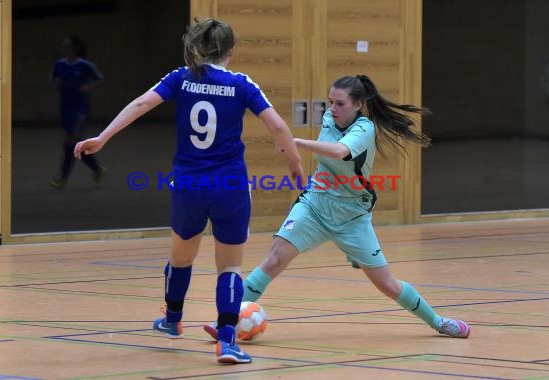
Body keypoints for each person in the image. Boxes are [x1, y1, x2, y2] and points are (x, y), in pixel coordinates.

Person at [74, 18, 304, 364]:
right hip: (229, 185)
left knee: (181, 258)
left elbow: (140, 105)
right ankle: (227, 342)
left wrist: (102, 137)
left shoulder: (181, 77)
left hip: (188, 184)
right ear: (232, 51)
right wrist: (296, 164)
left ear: (198, 47)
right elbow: (277, 125)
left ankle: (172, 320)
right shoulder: (241, 84)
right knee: (229, 267)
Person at [204, 74, 471, 341]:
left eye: (339, 103)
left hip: (352, 216)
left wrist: (296, 142)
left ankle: (439, 322)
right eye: (330, 102)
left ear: (358, 104)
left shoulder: (365, 129)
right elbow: (328, 153)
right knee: (274, 259)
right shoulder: (329, 119)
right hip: (315, 205)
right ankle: (225, 324)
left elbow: (340, 151)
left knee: (387, 284)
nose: (332, 108)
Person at [50, 36, 106, 189]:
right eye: (64, 46)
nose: (65, 49)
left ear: (76, 49)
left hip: (79, 109)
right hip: (65, 107)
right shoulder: (59, 65)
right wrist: (57, 83)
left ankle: (62, 178)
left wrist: (88, 86)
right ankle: (97, 169)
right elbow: (54, 79)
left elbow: (99, 78)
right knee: (74, 143)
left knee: (70, 142)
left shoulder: (85, 65)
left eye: (68, 46)